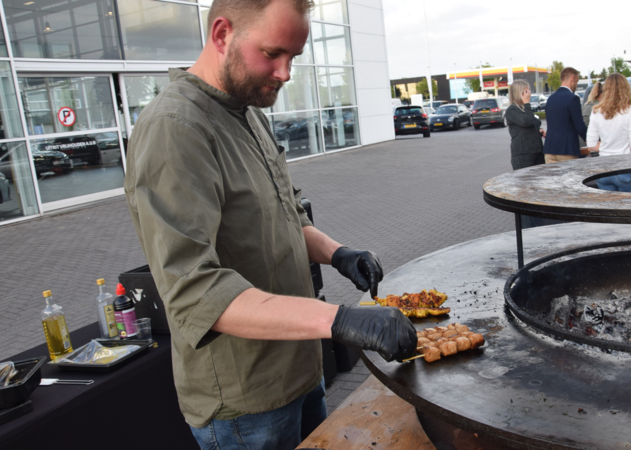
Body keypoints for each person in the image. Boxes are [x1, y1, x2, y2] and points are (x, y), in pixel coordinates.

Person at [123, 1, 417, 449]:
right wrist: (340, 320)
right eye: (273, 53)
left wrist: (337, 253)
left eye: (294, 57)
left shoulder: (249, 112)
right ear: (222, 34)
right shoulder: (175, 127)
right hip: (246, 403)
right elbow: (195, 293)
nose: (284, 73)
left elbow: (285, 214)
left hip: (299, 369)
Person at [586, 73, 631, 192]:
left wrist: (607, 146)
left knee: (609, 209)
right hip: (625, 167)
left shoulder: (596, 111)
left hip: (603, 169)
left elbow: (591, 145)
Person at [506, 80, 546, 227]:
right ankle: (526, 227)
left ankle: (539, 224)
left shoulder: (524, 108)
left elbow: (532, 124)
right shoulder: (512, 110)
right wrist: (527, 103)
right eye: (526, 91)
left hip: (536, 153)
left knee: (537, 191)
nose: (529, 93)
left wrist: (539, 131)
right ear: (519, 92)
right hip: (523, 156)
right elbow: (526, 122)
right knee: (525, 194)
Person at [543, 67, 588, 164]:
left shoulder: (550, 99)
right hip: (567, 150)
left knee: (553, 179)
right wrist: (589, 140)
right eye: (576, 81)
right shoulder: (573, 99)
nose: (576, 85)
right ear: (572, 79)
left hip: (550, 149)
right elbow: (579, 126)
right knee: (570, 178)